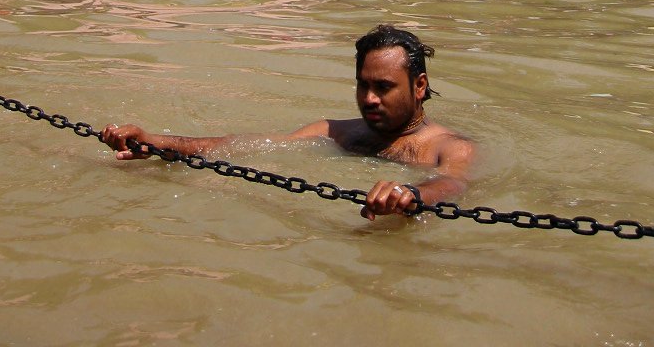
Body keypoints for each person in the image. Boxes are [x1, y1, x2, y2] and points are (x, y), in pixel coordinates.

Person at [101, 24, 474, 221]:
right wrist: (153, 142)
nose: (369, 98)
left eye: (384, 87)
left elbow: (453, 181)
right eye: (363, 85)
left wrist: (411, 195)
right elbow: (242, 145)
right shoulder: (336, 132)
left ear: (420, 86)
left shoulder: (448, 146)